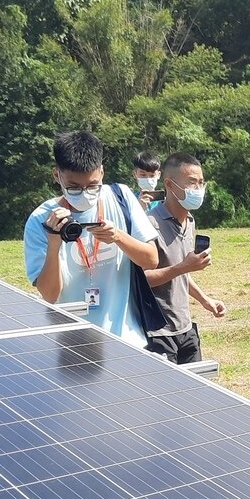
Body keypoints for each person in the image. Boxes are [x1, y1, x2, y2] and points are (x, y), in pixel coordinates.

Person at [24, 131, 159, 348]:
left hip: (126, 340)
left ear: (102, 172)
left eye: (93, 185)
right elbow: (49, 295)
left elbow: (151, 260)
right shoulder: (40, 220)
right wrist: (54, 243)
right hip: (71, 344)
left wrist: (118, 237)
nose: (85, 193)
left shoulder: (121, 197)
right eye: (74, 187)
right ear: (56, 176)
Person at [144, 153, 227, 364]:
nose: (198, 189)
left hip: (186, 327)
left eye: (200, 183)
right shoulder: (148, 225)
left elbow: (180, 274)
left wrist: (205, 300)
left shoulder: (189, 220)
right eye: (191, 183)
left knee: (193, 393)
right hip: (159, 333)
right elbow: (141, 279)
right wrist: (183, 267)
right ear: (169, 185)